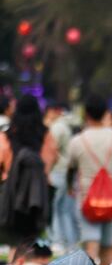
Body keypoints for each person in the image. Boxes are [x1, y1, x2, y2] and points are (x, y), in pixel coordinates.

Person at [67, 94, 112, 265]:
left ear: (86, 114)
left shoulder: (77, 141)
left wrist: (69, 187)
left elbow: (70, 169)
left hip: (87, 200)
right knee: (108, 248)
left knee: (91, 247)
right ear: (106, 112)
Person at [0, 95, 58, 243]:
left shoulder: (7, 135)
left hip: (11, 192)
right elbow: (52, 158)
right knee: (32, 240)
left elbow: (1, 158)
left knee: (14, 240)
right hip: (39, 192)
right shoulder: (46, 135)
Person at [46, 101, 78, 253]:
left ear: (53, 111)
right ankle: (71, 243)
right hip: (67, 172)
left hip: (57, 171)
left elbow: (52, 150)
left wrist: (47, 170)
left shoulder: (57, 127)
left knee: (54, 209)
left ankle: (57, 241)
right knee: (65, 211)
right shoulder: (67, 125)